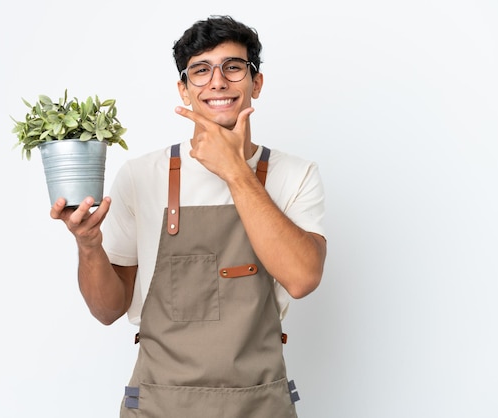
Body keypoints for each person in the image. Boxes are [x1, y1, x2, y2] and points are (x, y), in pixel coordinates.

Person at [51, 15, 327, 418]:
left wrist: (234, 170)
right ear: (184, 88)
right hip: (159, 405)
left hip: (258, 405)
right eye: (201, 71)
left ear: (257, 82)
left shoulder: (295, 174)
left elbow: (302, 279)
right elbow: (107, 310)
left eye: (233, 67)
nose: (217, 82)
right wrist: (89, 247)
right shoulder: (142, 175)